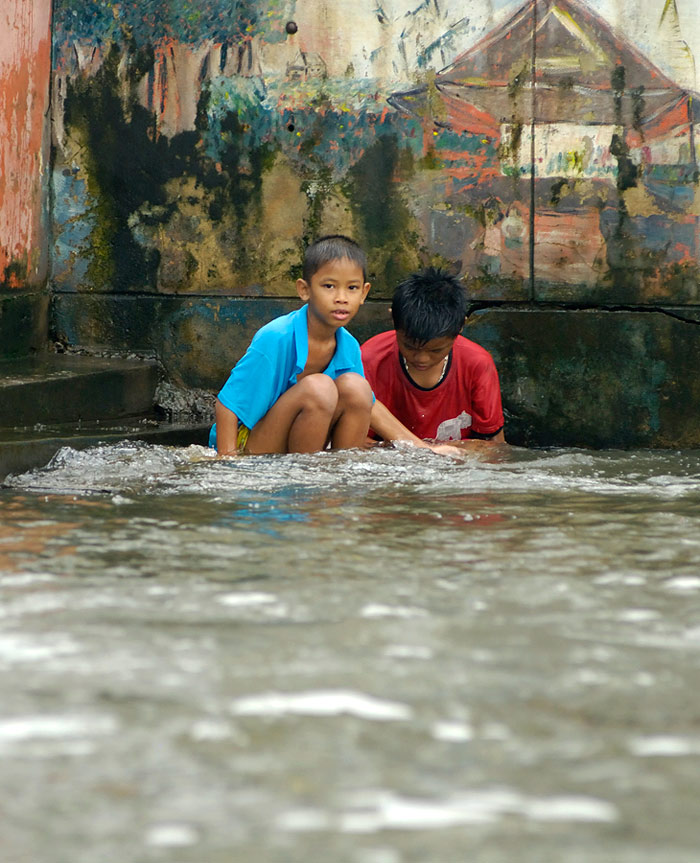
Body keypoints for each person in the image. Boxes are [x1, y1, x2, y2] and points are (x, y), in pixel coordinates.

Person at [210, 235, 373, 455]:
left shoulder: (349, 346)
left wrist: (413, 444)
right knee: (320, 388)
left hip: (304, 443)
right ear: (304, 290)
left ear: (364, 293)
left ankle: (340, 478)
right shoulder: (276, 337)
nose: (341, 297)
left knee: (358, 388)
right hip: (250, 445)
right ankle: (305, 479)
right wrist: (227, 464)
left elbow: (366, 406)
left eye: (352, 288)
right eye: (329, 286)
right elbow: (226, 406)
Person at [361, 267, 505, 448]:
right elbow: (353, 441)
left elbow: (494, 446)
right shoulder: (370, 359)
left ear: (460, 327)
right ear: (393, 321)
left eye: (436, 351)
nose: (422, 359)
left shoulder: (477, 364)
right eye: (409, 347)